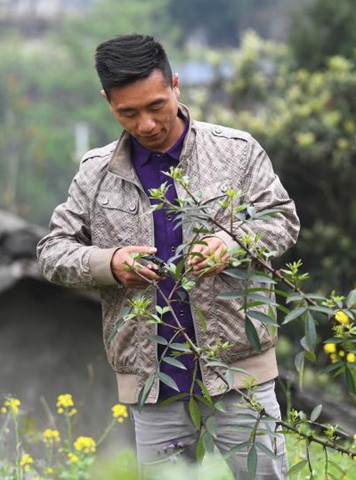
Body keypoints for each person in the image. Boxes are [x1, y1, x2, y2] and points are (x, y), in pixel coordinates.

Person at [36, 34, 298, 479]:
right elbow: (52, 253)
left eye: (157, 105)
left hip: (238, 372)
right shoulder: (96, 174)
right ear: (108, 102)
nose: (147, 124)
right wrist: (111, 263)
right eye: (128, 112)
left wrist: (231, 246)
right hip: (153, 384)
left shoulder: (235, 152)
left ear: (175, 85)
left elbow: (282, 222)